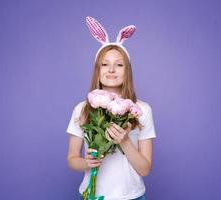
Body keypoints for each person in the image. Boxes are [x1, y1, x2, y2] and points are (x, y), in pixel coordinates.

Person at [66, 16, 156, 200]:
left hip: (131, 196)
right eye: (105, 64)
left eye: (119, 65)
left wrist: (124, 141)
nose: (111, 69)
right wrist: (87, 163)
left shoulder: (142, 110)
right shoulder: (82, 109)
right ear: (97, 70)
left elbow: (145, 169)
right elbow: (72, 159)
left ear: (127, 71)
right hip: (92, 195)